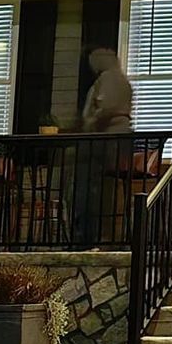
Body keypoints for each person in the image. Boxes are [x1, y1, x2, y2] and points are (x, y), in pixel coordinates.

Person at [75, 46, 134, 248]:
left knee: (95, 191)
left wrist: (91, 121)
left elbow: (104, 107)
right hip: (110, 143)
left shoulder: (110, 79)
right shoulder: (120, 80)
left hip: (104, 143)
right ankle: (99, 235)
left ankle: (91, 237)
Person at [80, 46, 134, 134]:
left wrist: (92, 120)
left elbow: (106, 105)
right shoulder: (122, 79)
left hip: (110, 131)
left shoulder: (108, 77)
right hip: (121, 130)